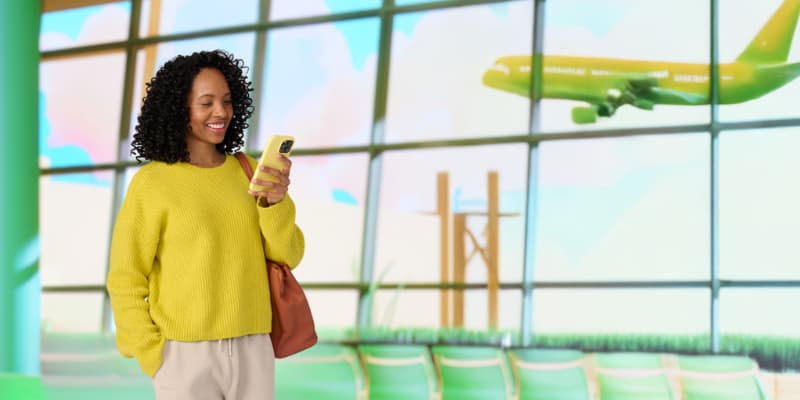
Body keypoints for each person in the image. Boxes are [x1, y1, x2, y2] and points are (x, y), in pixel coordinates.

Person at [106, 49, 305, 400]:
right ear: (178, 109)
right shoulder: (152, 183)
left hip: (253, 347)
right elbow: (126, 276)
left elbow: (288, 254)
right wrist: (154, 354)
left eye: (227, 101)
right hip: (183, 355)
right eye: (206, 102)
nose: (221, 112)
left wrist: (275, 203)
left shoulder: (249, 171)